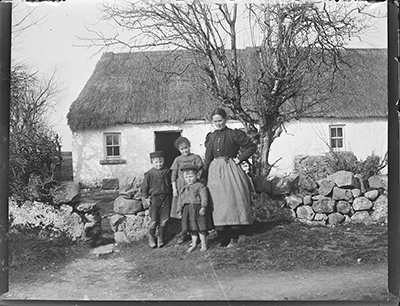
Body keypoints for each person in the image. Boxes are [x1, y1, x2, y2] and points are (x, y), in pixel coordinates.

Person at [202, 108, 257, 248]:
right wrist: (205, 173)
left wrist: (239, 159)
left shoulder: (233, 134)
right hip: (215, 172)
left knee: (232, 199)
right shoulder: (211, 137)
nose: (218, 123)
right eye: (215, 121)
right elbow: (208, 157)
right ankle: (223, 236)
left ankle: (234, 235)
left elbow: (251, 147)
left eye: (220, 120)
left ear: (225, 120)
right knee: (218, 201)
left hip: (231, 169)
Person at [170, 136, 204, 244]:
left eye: (186, 148)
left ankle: (198, 232)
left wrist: (196, 181)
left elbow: (201, 171)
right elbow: (173, 175)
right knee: (183, 209)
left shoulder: (196, 157)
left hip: (193, 185)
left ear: (189, 146)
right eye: (182, 149)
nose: (185, 150)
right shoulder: (177, 160)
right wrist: (174, 188)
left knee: (194, 208)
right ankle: (185, 232)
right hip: (181, 186)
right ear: (179, 150)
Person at [178, 163, 213, 253]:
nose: (189, 179)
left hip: (197, 209)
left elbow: (204, 197)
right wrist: (179, 209)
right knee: (192, 228)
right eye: (186, 177)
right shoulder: (184, 188)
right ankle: (194, 244)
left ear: (196, 175)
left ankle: (204, 244)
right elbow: (181, 199)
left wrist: (203, 207)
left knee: (201, 227)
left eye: (191, 176)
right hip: (188, 210)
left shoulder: (200, 186)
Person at [141, 151, 172, 248]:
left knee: (164, 220)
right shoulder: (149, 174)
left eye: (161, 162)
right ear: (152, 162)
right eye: (156, 162)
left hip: (166, 198)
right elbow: (144, 187)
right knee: (154, 220)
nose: (159, 164)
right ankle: (151, 237)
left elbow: (172, 183)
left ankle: (160, 237)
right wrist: (145, 198)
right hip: (155, 199)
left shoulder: (167, 171)